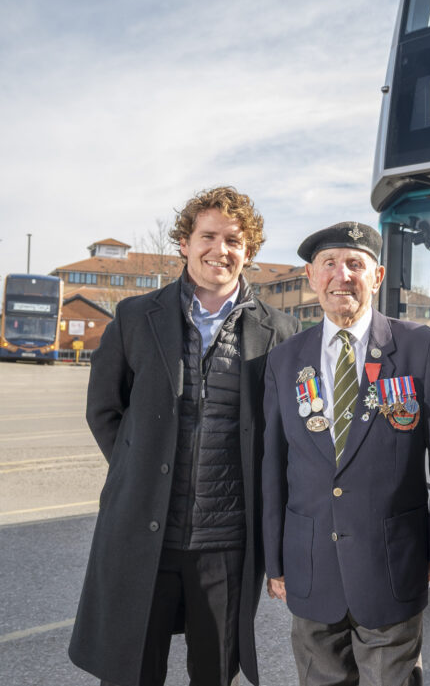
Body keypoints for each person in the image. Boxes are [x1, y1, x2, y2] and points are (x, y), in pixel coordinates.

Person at [69, 186, 301, 686]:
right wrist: (141, 470)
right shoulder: (136, 317)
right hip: (143, 529)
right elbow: (104, 410)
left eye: (234, 240)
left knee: (214, 673)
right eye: (208, 236)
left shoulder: (279, 330)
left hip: (226, 541)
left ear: (249, 250)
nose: (221, 249)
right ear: (184, 243)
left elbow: (285, 432)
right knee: (131, 670)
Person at [261, 222, 430, 686]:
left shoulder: (419, 346)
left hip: (393, 565)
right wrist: (275, 561)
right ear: (311, 277)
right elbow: (273, 466)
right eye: (329, 264)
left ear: (377, 275)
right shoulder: (285, 360)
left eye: (355, 264)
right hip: (310, 565)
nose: (342, 275)